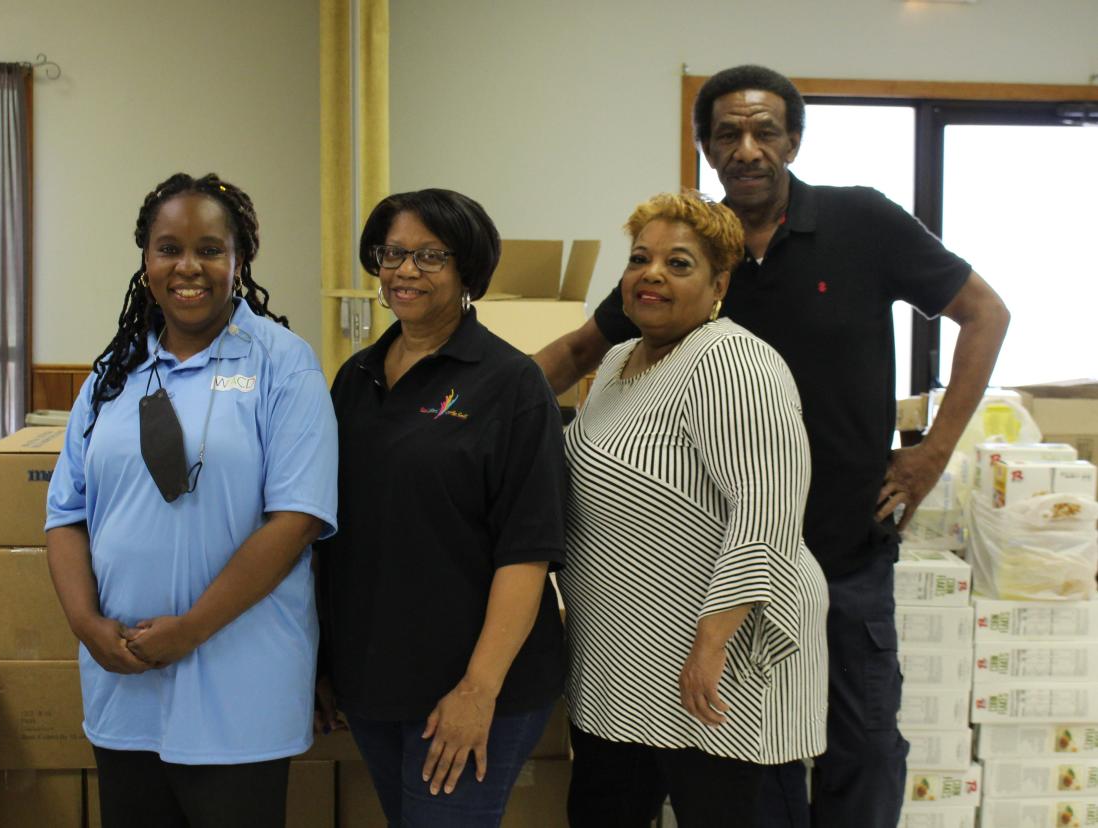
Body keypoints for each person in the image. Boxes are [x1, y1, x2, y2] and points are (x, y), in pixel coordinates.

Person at [536, 66, 1009, 828]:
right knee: (741, 762)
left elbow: (985, 313)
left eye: (765, 131)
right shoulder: (694, 252)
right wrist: (472, 402)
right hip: (709, 573)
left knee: (856, 745)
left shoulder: (862, 223)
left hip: (837, 547)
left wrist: (931, 453)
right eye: (728, 134)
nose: (747, 149)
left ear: (793, 138)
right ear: (706, 148)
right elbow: (580, 350)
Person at [44, 173, 338, 828]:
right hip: (126, 681)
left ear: (239, 261)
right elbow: (66, 514)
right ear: (145, 259)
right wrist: (86, 626)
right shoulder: (112, 374)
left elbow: (298, 519)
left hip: (241, 689)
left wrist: (191, 630)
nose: (188, 267)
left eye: (209, 249)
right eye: (167, 247)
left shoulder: (282, 364)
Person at [559, 190, 828, 827]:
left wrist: (710, 647)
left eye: (679, 263)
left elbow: (767, 512)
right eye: (639, 259)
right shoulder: (622, 359)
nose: (651, 274)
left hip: (715, 664)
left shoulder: (735, 362)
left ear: (719, 284)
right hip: (622, 661)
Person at [316, 188, 568, 827]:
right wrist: (325, 665)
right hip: (373, 680)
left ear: (468, 271)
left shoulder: (511, 384)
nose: (405, 271)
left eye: (430, 256)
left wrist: (477, 692)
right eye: (392, 253)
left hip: (470, 686)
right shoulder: (357, 376)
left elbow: (527, 551)